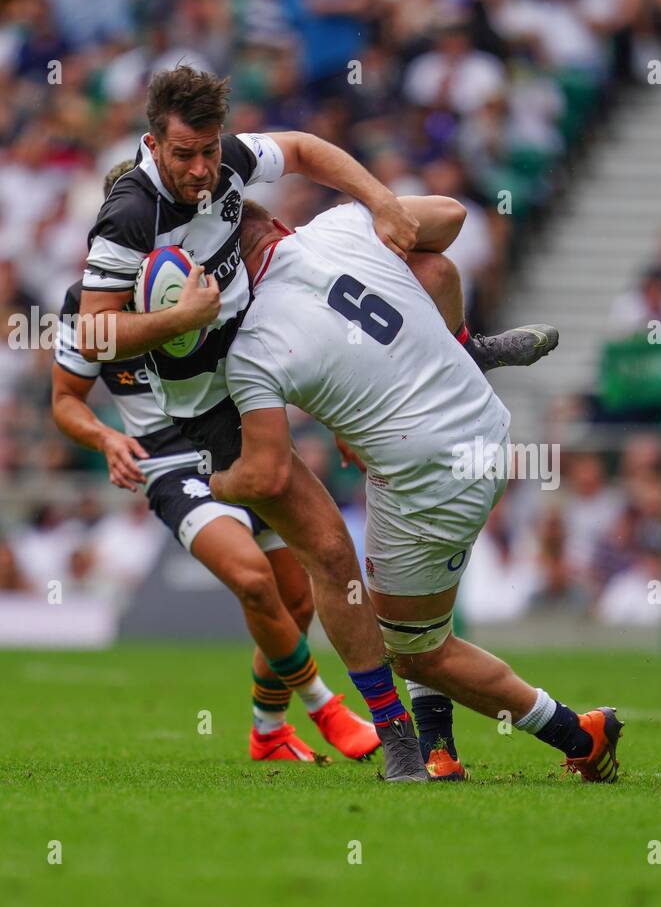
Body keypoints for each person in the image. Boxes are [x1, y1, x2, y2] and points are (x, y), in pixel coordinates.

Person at [74, 67, 554, 781]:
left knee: (428, 269)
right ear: (152, 144)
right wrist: (180, 321)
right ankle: (393, 738)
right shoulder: (125, 220)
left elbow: (301, 148)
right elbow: (91, 338)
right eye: (184, 155)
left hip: (264, 354)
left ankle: (462, 355)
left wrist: (380, 201)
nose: (203, 169)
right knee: (326, 555)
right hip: (206, 409)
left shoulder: (223, 163)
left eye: (210, 150)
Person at [209, 197, 623, 783]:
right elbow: (447, 238)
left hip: (428, 474)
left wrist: (206, 482)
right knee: (415, 617)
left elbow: (269, 473)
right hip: (477, 427)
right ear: (277, 224)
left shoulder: (252, 345)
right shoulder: (340, 226)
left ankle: (579, 735)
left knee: (414, 650)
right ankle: (439, 750)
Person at [52, 163, 379, 763]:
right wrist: (104, 439)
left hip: (234, 445)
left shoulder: (209, 282)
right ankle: (325, 709)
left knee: (297, 599)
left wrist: (338, 423)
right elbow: (65, 402)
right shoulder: (88, 308)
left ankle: (268, 731)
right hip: (167, 463)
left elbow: (284, 357)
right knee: (253, 580)